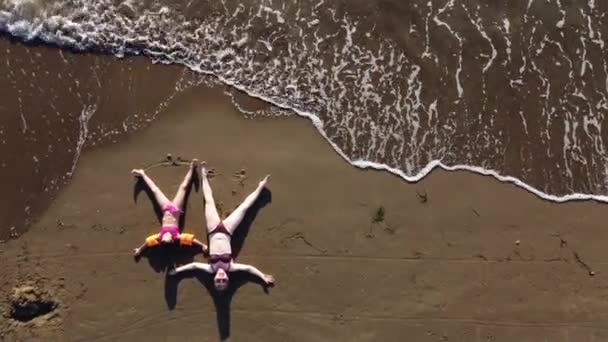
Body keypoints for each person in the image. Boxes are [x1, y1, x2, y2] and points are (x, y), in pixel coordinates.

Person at [169, 165, 274, 290]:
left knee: (208, 200)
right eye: (223, 280)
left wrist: (177, 271)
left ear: (214, 279)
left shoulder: (210, 268)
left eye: (218, 280)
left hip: (212, 229)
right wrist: (263, 277)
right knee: (245, 207)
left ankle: (203, 175)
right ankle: (261, 186)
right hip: (228, 230)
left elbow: (194, 266)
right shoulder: (231, 267)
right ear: (228, 279)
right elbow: (249, 269)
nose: (221, 277)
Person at [132, 159, 208, 259]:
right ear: (171, 240)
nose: (164, 238)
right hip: (176, 208)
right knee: (183, 187)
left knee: (155, 190)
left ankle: (142, 174)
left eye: (163, 240)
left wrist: (139, 250)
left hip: (165, 208)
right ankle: (192, 168)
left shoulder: (159, 236)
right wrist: (203, 246)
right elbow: (191, 240)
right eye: (166, 239)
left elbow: (147, 243)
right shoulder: (176, 236)